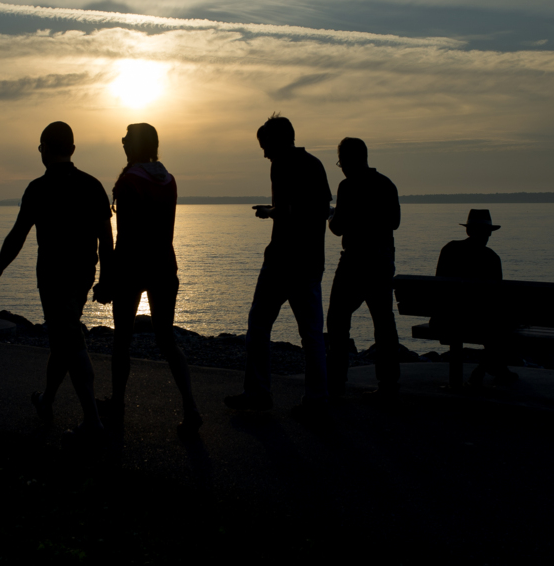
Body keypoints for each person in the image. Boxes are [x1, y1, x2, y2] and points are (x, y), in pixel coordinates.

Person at [0, 122, 112, 442]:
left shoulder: (37, 189)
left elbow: (18, 235)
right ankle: (47, 400)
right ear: (72, 149)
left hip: (53, 278)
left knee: (70, 341)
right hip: (83, 276)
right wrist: (105, 279)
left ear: (43, 150)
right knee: (62, 339)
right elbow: (106, 240)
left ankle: (93, 421)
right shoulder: (93, 186)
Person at [224, 115, 333, 421]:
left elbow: (299, 211)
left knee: (259, 326)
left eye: (266, 146)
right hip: (310, 262)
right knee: (311, 334)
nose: (264, 154)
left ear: (278, 140)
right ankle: (317, 398)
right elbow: (319, 210)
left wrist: (274, 212)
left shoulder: (283, 166)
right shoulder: (314, 164)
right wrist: (276, 211)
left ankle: (259, 392)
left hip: (283, 261)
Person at [100, 123, 202, 437]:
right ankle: (191, 407)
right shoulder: (168, 180)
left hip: (132, 268)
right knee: (167, 340)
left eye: (127, 138)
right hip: (164, 267)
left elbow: (125, 236)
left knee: (122, 341)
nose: (122, 141)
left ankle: (118, 405)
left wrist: (108, 278)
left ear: (136, 145)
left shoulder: (128, 182)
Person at [326, 137, 401, 401]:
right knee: (383, 322)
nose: (342, 168)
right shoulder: (386, 184)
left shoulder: (348, 186)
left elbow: (338, 228)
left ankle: (336, 382)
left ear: (348, 160)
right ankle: (388, 383)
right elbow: (395, 222)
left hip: (355, 262)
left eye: (341, 162)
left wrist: (331, 215)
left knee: (337, 321)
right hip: (381, 261)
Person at [436, 209, 517, 387]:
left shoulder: (449, 249)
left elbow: (439, 287)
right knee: (503, 323)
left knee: (492, 320)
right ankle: (484, 369)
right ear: (489, 233)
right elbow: (496, 297)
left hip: (446, 320)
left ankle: (496, 368)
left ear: (468, 231)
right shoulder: (491, 258)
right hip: (479, 322)